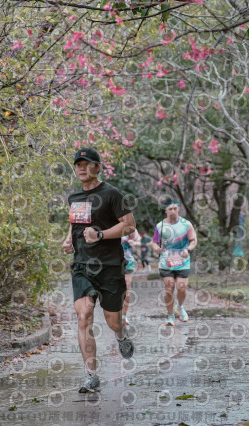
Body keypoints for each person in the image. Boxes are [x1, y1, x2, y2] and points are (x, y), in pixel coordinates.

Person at [62, 147, 136, 393]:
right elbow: (74, 222)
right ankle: (91, 375)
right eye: (78, 164)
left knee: (113, 321)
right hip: (82, 265)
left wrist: (101, 234)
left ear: (98, 167)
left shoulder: (113, 194)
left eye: (87, 163)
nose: (82, 168)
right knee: (84, 316)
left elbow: (129, 226)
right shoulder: (74, 197)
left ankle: (121, 335)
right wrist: (69, 239)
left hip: (110, 266)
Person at [150, 199, 197, 326]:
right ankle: (170, 316)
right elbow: (154, 242)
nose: (172, 211)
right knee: (169, 288)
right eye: (170, 209)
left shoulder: (186, 224)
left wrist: (188, 249)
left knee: (182, 288)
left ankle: (180, 307)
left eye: (175, 209)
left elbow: (193, 240)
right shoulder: (160, 226)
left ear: (178, 209)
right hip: (166, 261)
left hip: (183, 260)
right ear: (166, 210)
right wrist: (156, 248)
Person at [120, 229, 141, 325]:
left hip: (128, 262)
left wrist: (134, 243)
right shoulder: (108, 224)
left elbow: (139, 242)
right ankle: (114, 314)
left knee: (126, 289)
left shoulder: (129, 227)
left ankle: (123, 316)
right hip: (111, 262)